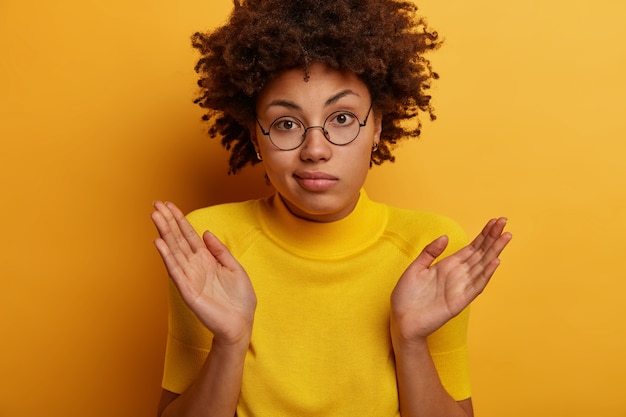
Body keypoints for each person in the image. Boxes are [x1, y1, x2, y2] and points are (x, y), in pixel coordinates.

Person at [150, 0, 512, 416]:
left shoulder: (430, 247)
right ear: (255, 136)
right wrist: (230, 342)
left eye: (342, 118)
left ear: (376, 125)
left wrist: (409, 341)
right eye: (287, 124)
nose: (316, 150)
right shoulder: (210, 244)